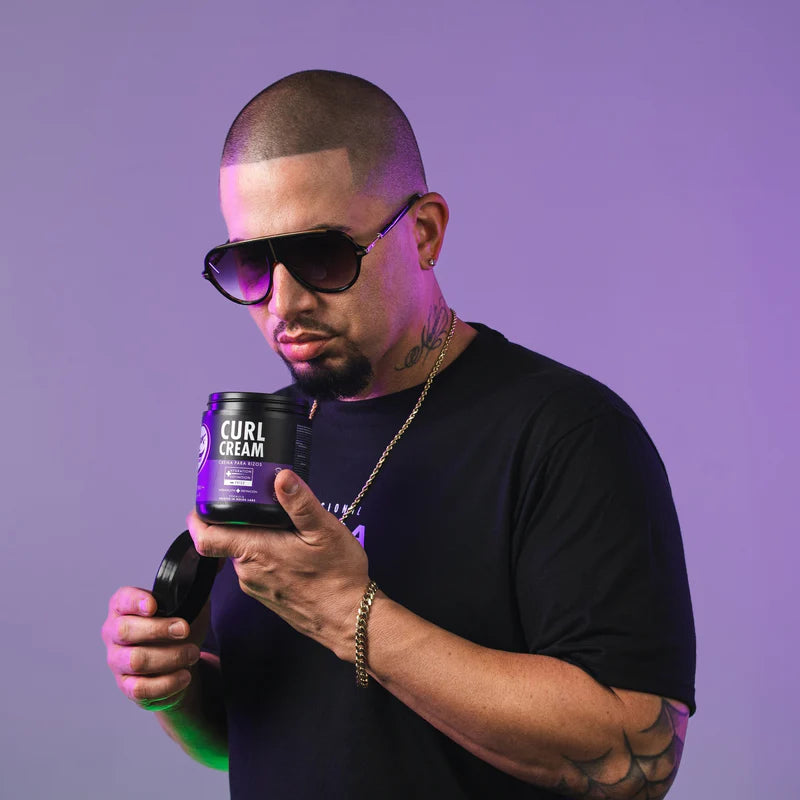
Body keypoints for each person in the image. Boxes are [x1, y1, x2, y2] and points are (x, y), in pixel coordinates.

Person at [102, 70, 695, 799]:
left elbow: (638, 758)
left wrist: (353, 615)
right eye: (251, 263)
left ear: (425, 232)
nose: (283, 303)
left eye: (323, 254)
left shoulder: (568, 432)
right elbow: (258, 736)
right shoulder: (270, 435)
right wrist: (176, 690)